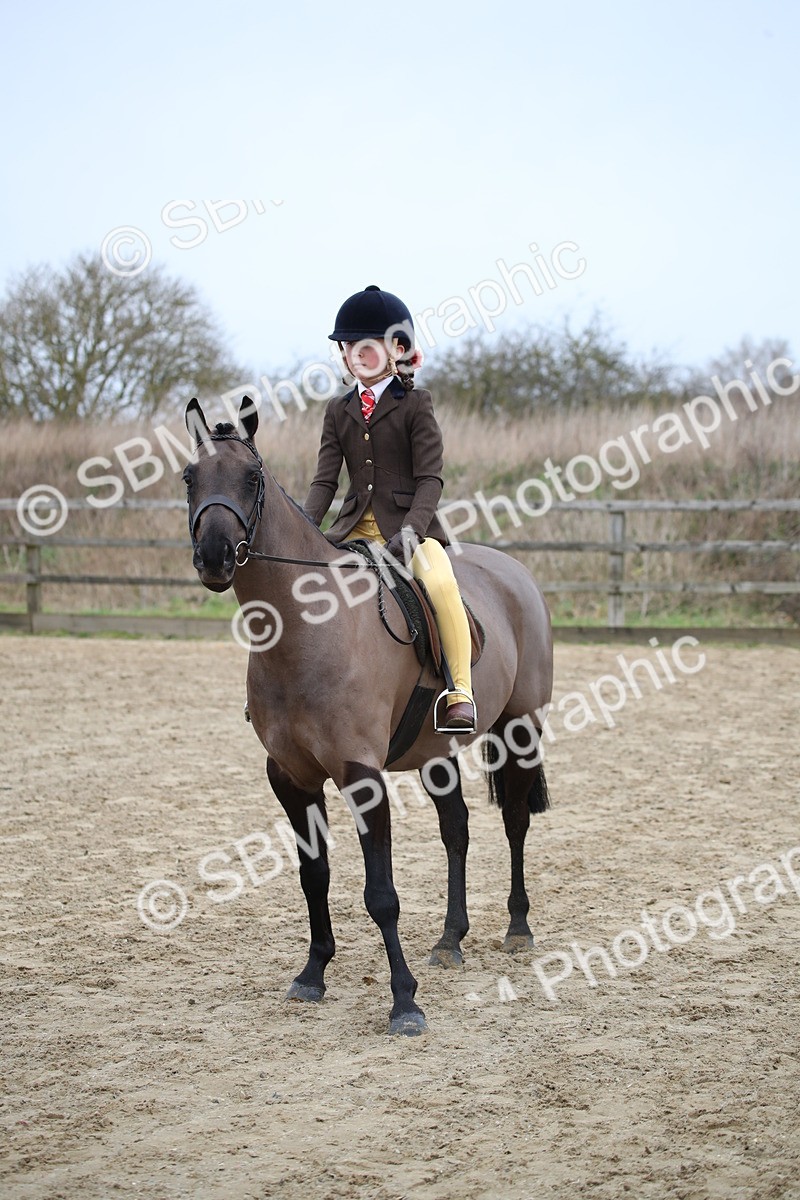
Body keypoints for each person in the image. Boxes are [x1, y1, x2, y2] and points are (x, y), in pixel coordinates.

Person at [304, 284, 475, 733]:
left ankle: (460, 691)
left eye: (363, 346)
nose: (352, 354)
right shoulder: (337, 410)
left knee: (439, 583)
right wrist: (306, 527)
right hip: (351, 532)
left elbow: (430, 479)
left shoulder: (416, 404)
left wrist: (414, 532)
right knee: (300, 589)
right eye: (346, 347)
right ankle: (289, 689)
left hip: (409, 531)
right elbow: (326, 480)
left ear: (397, 349)